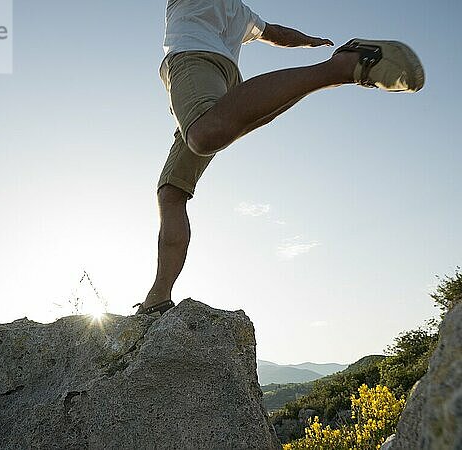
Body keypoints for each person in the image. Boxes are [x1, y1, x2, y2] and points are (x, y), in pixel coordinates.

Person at [132, 0, 424, 315]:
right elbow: (276, 34)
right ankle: (158, 298)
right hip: (228, 85)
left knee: (205, 133)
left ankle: (341, 67)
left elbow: (276, 34)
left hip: (192, 62)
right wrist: (308, 41)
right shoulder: (240, 12)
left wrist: (309, 44)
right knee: (172, 191)